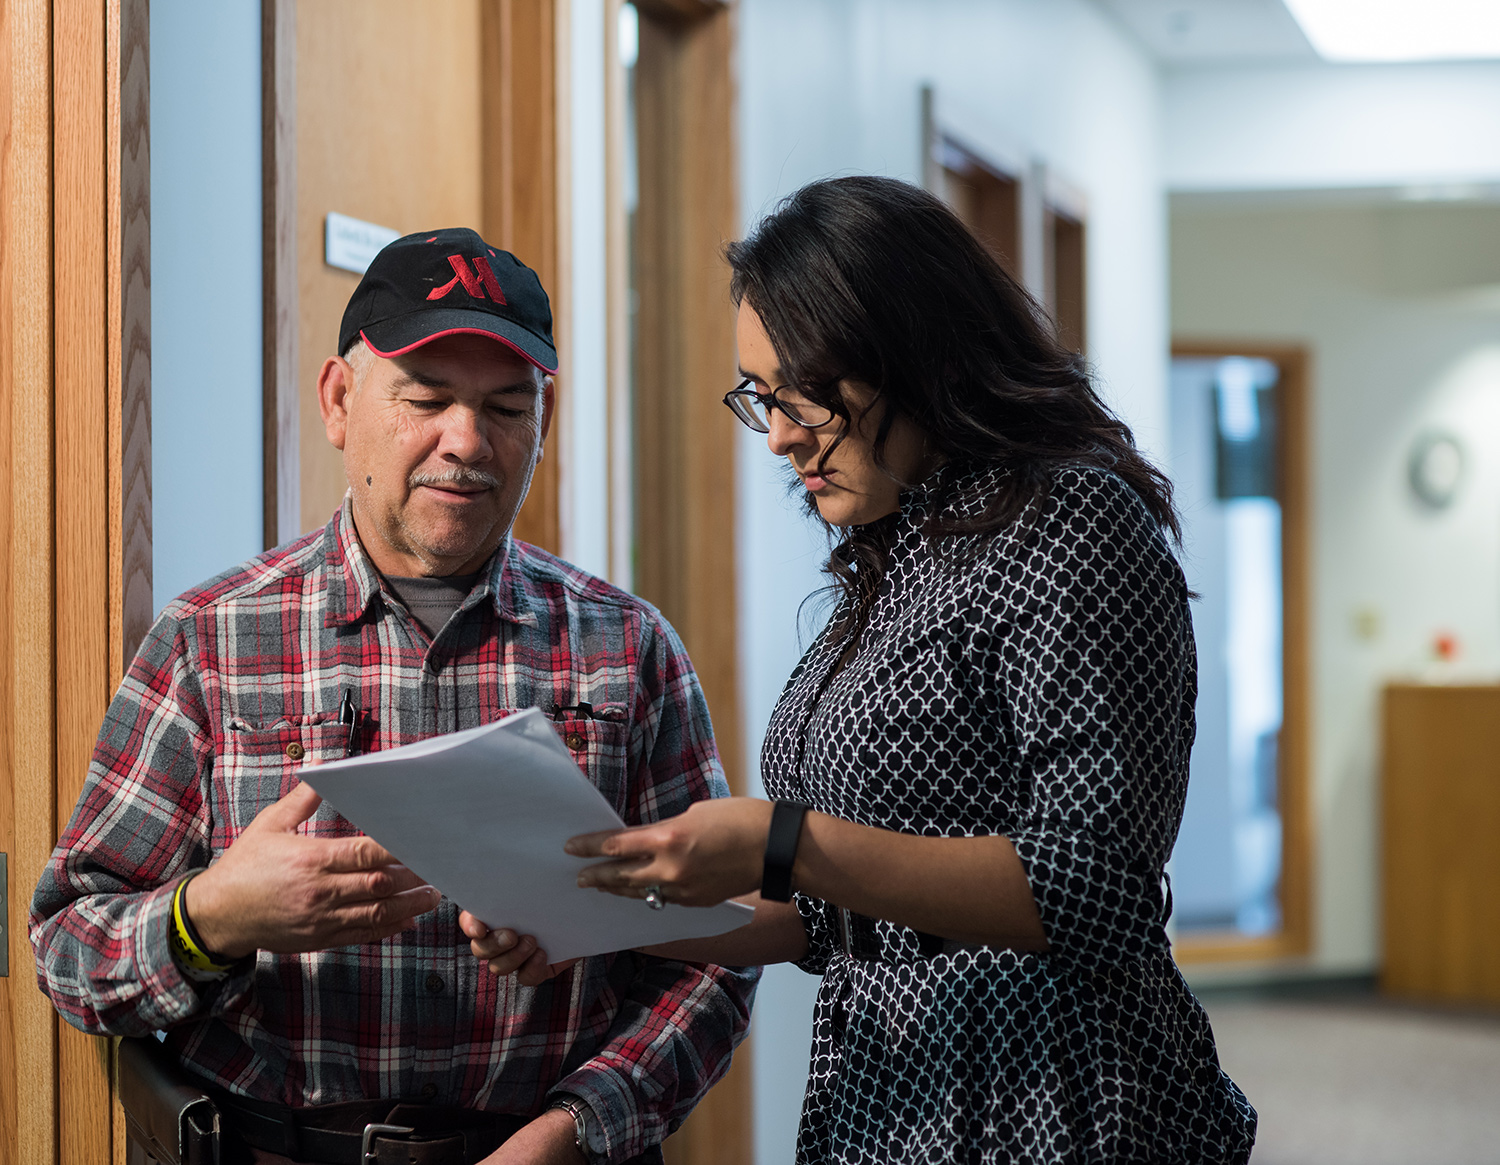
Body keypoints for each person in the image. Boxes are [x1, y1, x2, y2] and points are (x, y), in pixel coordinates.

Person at [470, 177, 1257, 1163]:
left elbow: (1096, 886)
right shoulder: (898, 550)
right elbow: (830, 919)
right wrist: (597, 916)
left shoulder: (1070, 521)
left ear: (916, 352)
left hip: (1056, 1097)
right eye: (762, 396)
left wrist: (786, 839)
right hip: (891, 1095)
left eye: (808, 389)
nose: (784, 431)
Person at [31, 228, 757, 1165]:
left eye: (505, 406)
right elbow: (67, 947)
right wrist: (208, 917)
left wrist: (576, 1130)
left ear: (544, 418)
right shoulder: (210, 639)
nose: (467, 442)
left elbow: (710, 959)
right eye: (424, 400)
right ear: (340, 401)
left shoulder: (628, 648)